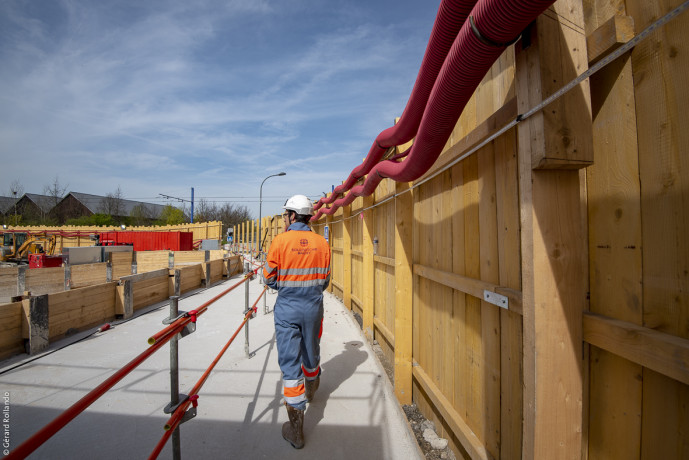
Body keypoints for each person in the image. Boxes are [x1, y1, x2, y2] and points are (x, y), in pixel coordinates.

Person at [262, 194, 331, 449]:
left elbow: (269, 278)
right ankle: (311, 389)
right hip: (313, 307)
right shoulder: (322, 243)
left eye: (285, 215)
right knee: (311, 351)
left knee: (290, 365)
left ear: (292, 215)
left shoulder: (280, 242)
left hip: (287, 310)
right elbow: (325, 280)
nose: (284, 220)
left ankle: (296, 429)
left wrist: (286, 286)